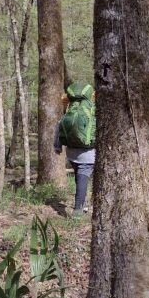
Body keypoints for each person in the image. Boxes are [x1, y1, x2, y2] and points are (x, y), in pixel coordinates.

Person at [54, 82, 96, 216]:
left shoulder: (69, 108)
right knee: (82, 179)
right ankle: (77, 210)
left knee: (80, 178)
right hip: (88, 153)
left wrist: (57, 146)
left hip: (71, 152)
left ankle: (85, 203)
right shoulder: (91, 108)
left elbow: (59, 125)